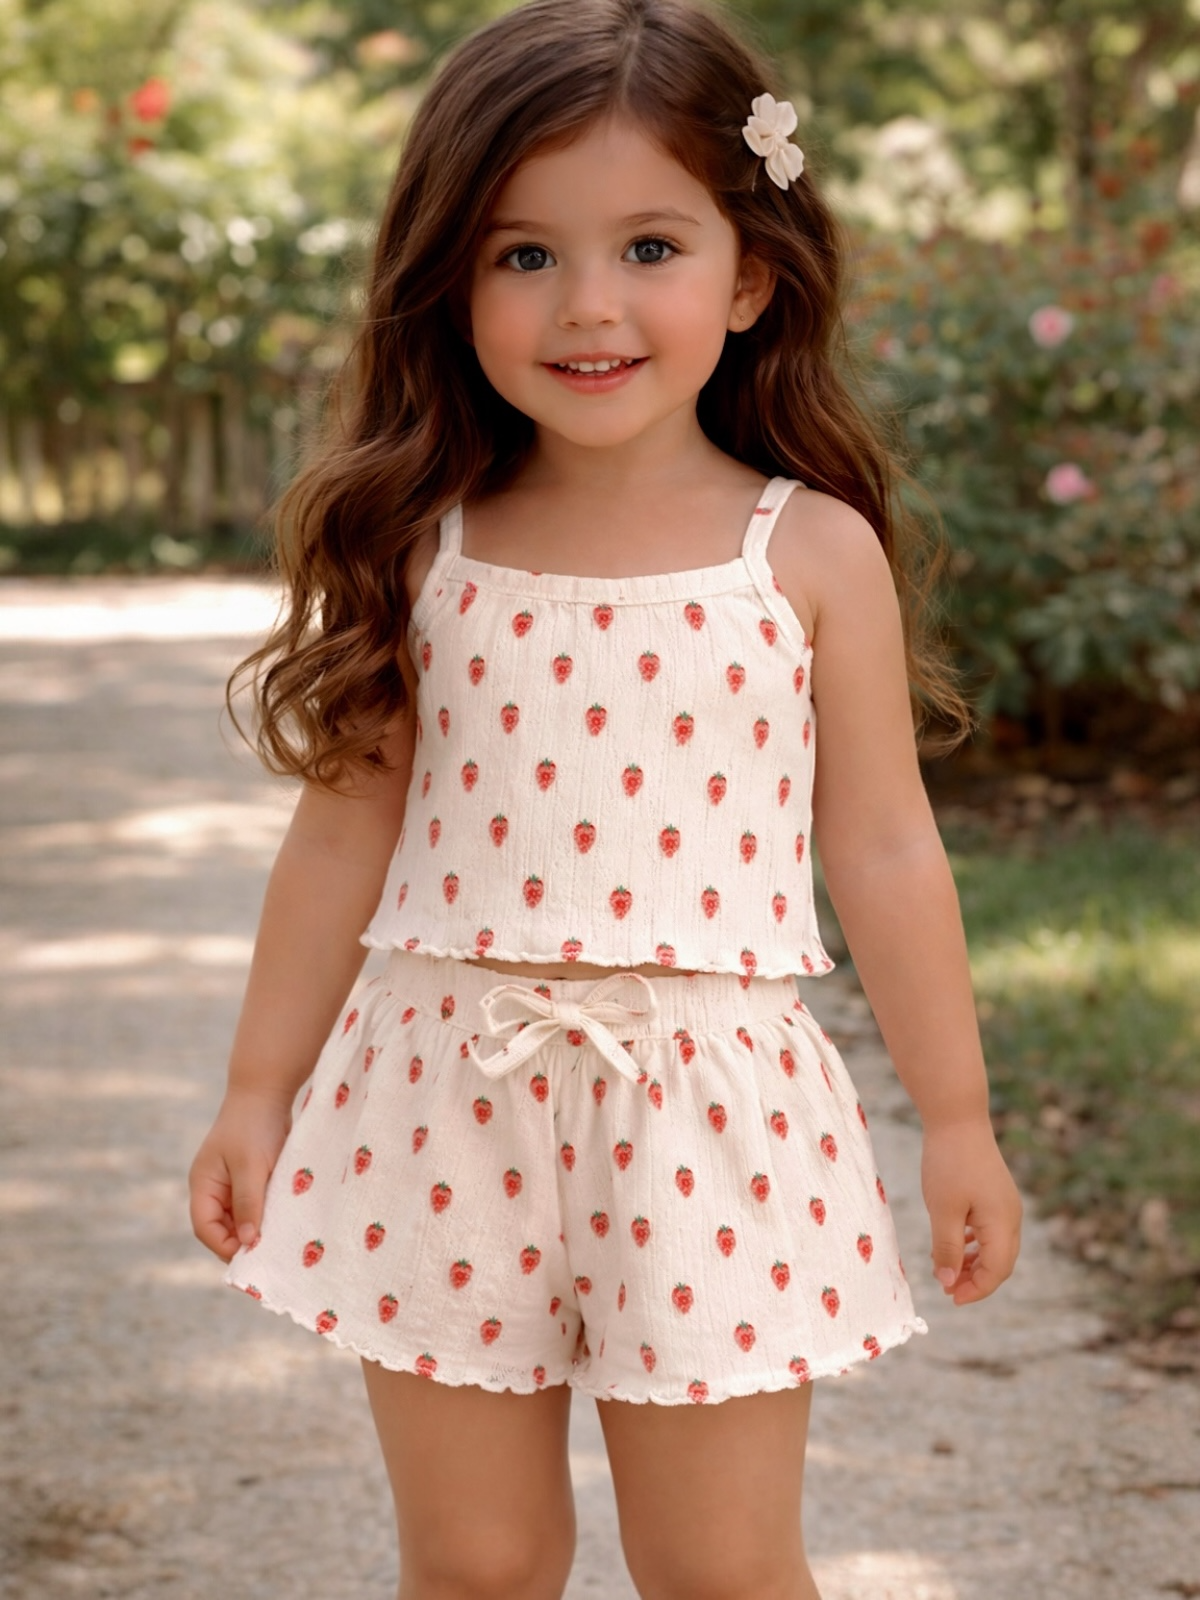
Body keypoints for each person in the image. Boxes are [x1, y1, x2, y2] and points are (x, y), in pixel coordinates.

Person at [189, 1, 1023, 1594]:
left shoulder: (808, 554)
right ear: (451, 277)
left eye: (651, 247)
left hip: (708, 1120)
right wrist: (253, 1089)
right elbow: (345, 827)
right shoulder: (425, 542)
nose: (590, 305)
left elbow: (886, 844)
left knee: (719, 1570)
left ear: (753, 271)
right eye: (524, 256)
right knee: (479, 1565)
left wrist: (963, 1121)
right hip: (437, 1102)